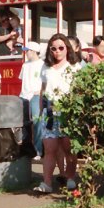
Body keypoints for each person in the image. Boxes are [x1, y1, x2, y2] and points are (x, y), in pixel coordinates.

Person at [36, 33, 83, 194]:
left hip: (67, 111)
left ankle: (70, 178)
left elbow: (79, 90)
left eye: (61, 48)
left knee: (68, 147)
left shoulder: (74, 67)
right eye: (54, 48)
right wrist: (41, 110)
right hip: (49, 111)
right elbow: (43, 90)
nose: (57, 51)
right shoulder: (46, 67)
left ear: (67, 48)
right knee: (49, 149)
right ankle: (47, 183)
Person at [19, 41, 45, 157]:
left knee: (37, 122)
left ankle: (38, 150)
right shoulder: (25, 65)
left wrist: (39, 91)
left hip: (36, 96)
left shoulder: (42, 64)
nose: (26, 53)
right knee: (24, 123)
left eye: (27, 51)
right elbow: (22, 80)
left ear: (34, 51)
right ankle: (27, 150)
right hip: (24, 96)